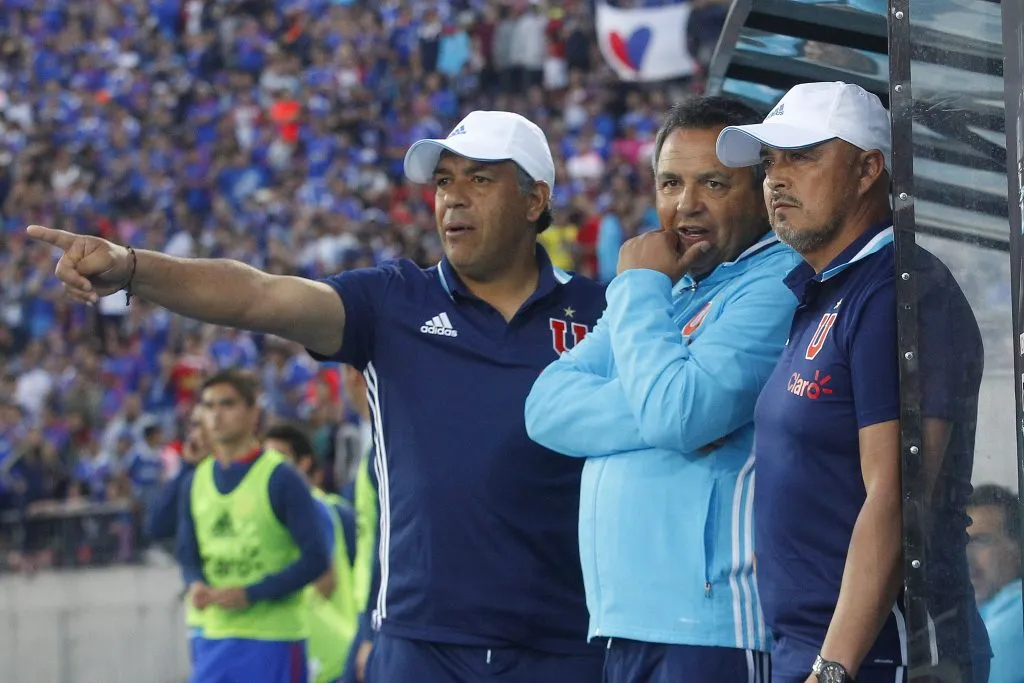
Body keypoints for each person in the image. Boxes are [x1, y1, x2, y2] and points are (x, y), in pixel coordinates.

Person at [27, 109, 608, 683]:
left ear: (535, 201)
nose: (453, 198)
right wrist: (132, 267)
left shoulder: (603, 316)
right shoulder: (392, 302)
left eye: (480, 179)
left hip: (566, 642)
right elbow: (258, 296)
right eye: (443, 181)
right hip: (423, 647)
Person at [716, 80, 991, 683]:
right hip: (817, 648)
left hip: (881, 651)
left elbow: (897, 493)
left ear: (869, 168)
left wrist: (835, 665)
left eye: (802, 155)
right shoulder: (829, 290)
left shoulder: (900, 288)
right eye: (770, 161)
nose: (776, 178)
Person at [525, 96, 800, 682]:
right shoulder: (667, 292)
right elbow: (544, 409)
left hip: (716, 626)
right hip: (626, 622)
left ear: (761, 190)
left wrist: (642, 290)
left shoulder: (778, 285)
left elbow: (676, 415)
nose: (686, 205)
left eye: (714, 184)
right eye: (670, 182)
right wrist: (660, 405)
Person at [178, 370, 331, 683]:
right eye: (208, 406)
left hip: (272, 638)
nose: (216, 415)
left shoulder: (281, 478)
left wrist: (251, 593)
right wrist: (194, 583)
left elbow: (316, 559)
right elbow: (187, 553)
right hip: (214, 637)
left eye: (227, 404)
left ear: (253, 412)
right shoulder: (195, 480)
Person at [265, 422, 359, 683]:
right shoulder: (324, 507)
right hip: (331, 646)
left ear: (304, 463)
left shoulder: (310, 507)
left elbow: (325, 582)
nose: (271, 468)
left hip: (321, 651)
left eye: (280, 458)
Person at [145, 403, 211, 665]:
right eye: (193, 426)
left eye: (201, 424)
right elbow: (157, 525)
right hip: (204, 611)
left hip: (248, 610)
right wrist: (187, 466)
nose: (196, 434)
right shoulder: (190, 477)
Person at [967, 485, 1024, 683]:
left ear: (1017, 546)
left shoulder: (1017, 611)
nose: (966, 557)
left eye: (980, 540)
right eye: (961, 543)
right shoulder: (978, 613)